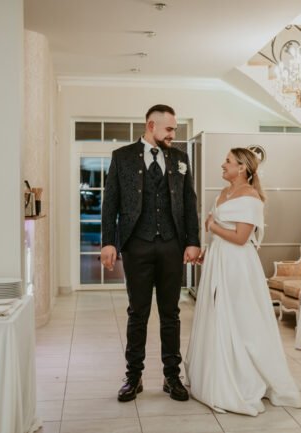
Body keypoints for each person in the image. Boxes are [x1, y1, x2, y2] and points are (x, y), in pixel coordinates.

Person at [185, 147, 301, 416]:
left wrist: (212, 226)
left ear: (242, 168)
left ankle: (243, 378)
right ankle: (217, 373)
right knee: (218, 313)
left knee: (240, 316)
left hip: (238, 264)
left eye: (227, 161)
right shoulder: (224, 192)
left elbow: (240, 238)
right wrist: (208, 251)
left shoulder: (251, 197)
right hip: (219, 259)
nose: (222, 164)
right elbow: (221, 234)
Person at [101, 104, 200, 402]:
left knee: (171, 313)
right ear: (151, 126)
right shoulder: (122, 157)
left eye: (174, 129)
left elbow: (189, 202)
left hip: (171, 244)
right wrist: (108, 242)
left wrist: (193, 241)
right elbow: (110, 202)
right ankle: (133, 377)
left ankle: (172, 377)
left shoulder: (180, 158)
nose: (173, 134)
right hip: (137, 245)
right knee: (138, 313)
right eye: (169, 129)